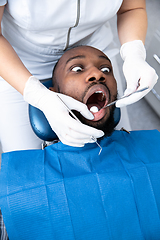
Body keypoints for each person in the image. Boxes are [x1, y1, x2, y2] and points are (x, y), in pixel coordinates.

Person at [0, 46, 160, 240]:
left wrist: (134, 53)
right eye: (77, 69)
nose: (97, 74)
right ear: (54, 94)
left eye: (106, 69)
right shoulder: (17, 190)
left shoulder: (153, 153)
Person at [0, 0, 158, 153]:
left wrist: (133, 53)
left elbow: (131, 8)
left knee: (120, 150)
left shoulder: (98, 71)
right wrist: (37, 95)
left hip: (95, 52)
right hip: (20, 63)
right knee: (23, 162)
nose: (97, 75)